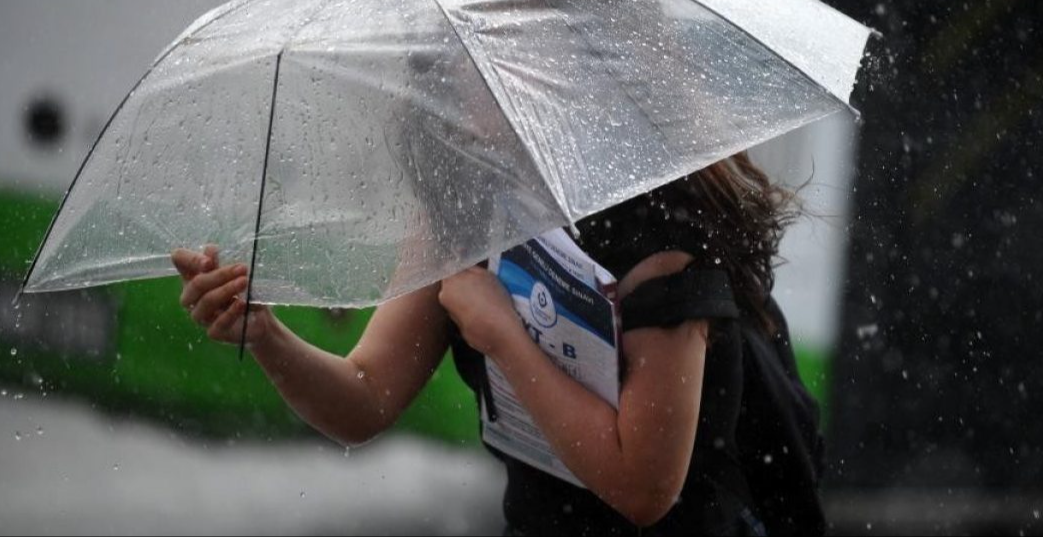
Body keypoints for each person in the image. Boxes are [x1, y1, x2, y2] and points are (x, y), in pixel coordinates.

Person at [171, 152, 826, 536]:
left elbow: (642, 488)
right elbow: (363, 398)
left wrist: (504, 339)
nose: (455, 93)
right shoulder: (463, 204)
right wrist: (266, 335)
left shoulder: (658, 239)